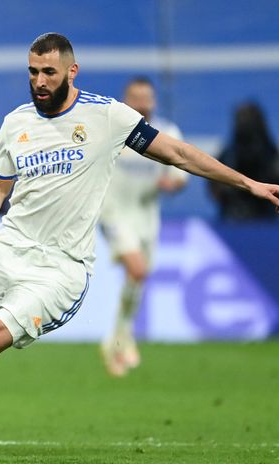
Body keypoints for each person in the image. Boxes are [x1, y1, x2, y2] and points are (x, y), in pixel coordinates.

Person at [0, 32, 279, 459]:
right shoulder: (15, 122)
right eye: (33, 72)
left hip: (61, 268)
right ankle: (6, 330)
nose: (39, 81)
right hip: (5, 252)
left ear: (72, 71)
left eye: (49, 72)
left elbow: (179, 154)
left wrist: (249, 183)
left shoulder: (106, 116)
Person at [98, 77, 188, 377]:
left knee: (139, 276)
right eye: (135, 98)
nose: (142, 104)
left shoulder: (168, 133)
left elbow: (179, 176)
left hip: (146, 217)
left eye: (147, 98)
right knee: (136, 270)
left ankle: (118, 338)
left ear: (154, 102)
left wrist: (171, 184)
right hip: (113, 213)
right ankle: (122, 336)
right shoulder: (112, 131)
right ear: (125, 101)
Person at [209, 101, 279, 222]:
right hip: (232, 217)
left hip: (265, 217)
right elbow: (215, 190)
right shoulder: (227, 156)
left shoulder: (273, 155)